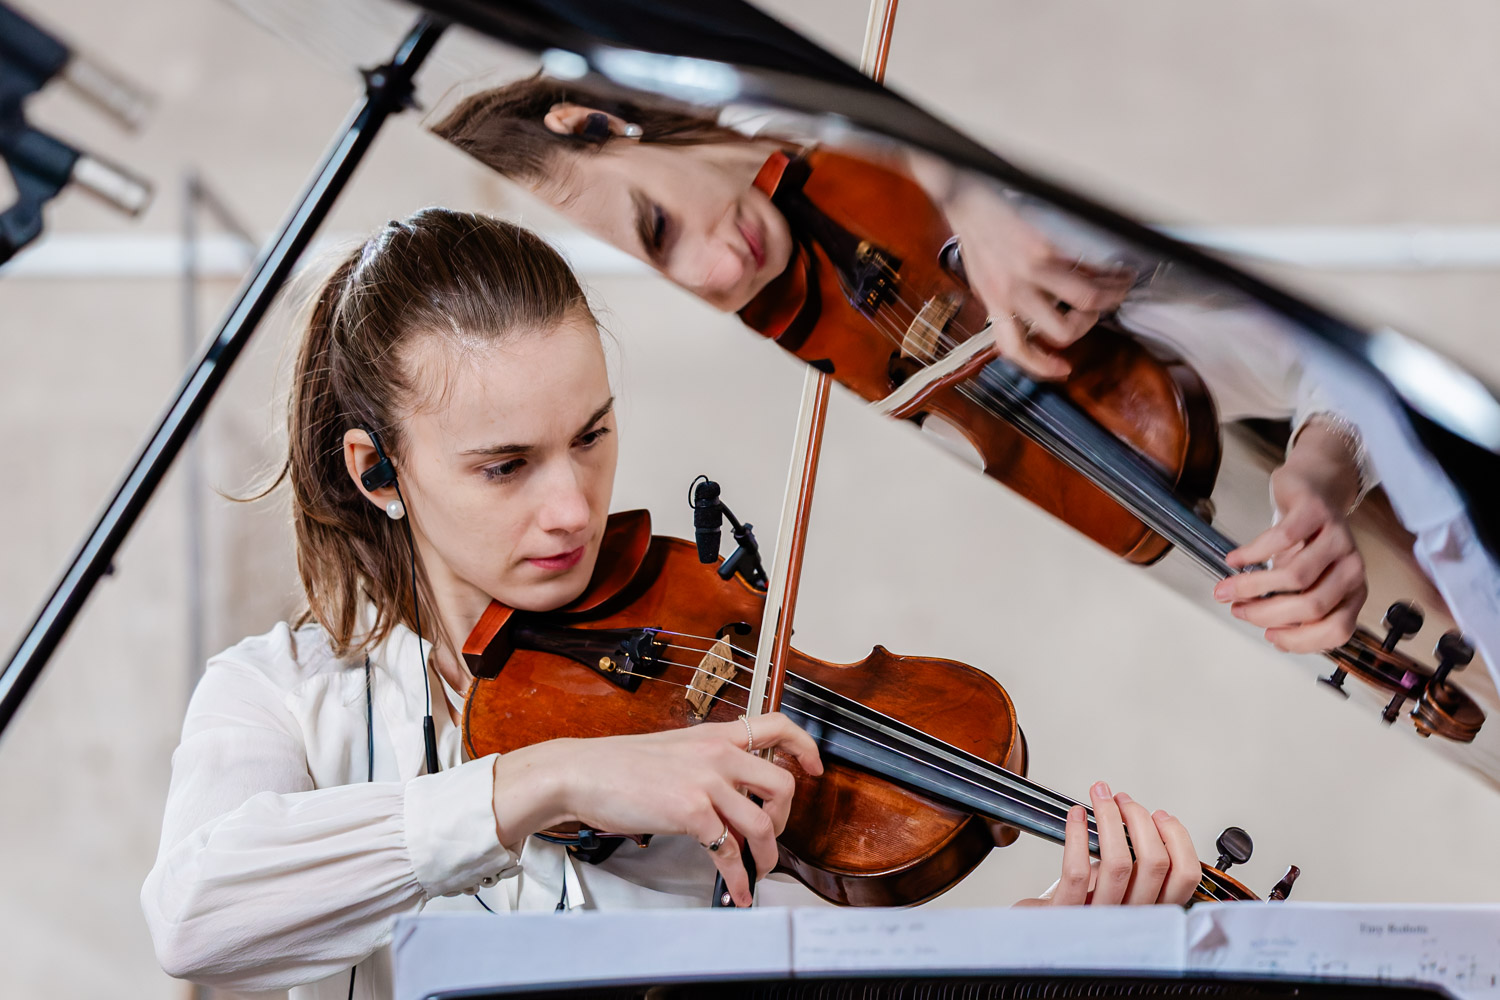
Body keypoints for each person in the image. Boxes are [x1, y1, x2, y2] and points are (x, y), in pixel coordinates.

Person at [142, 209, 1207, 999]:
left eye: (592, 436)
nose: (572, 506)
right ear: (379, 472)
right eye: (506, 466)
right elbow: (195, 917)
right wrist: (546, 775)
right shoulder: (279, 698)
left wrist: (1041, 947)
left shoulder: (705, 674)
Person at [431, 78, 1368, 655]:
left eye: (660, 228)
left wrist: (963, 178)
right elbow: (1295, 348)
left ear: (593, 123)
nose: (722, 274)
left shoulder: (838, 78)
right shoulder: (805, 388)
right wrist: (1322, 467)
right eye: (675, 296)